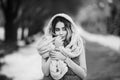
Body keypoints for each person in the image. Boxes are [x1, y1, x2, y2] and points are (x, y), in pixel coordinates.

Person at [37, 13, 87, 80]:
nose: (61, 33)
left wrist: (65, 58)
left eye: (64, 29)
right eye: (57, 29)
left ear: (69, 28)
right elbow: (45, 72)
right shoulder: (47, 45)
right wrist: (55, 48)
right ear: (53, 30)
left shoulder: (77, 45)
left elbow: (83, 75)